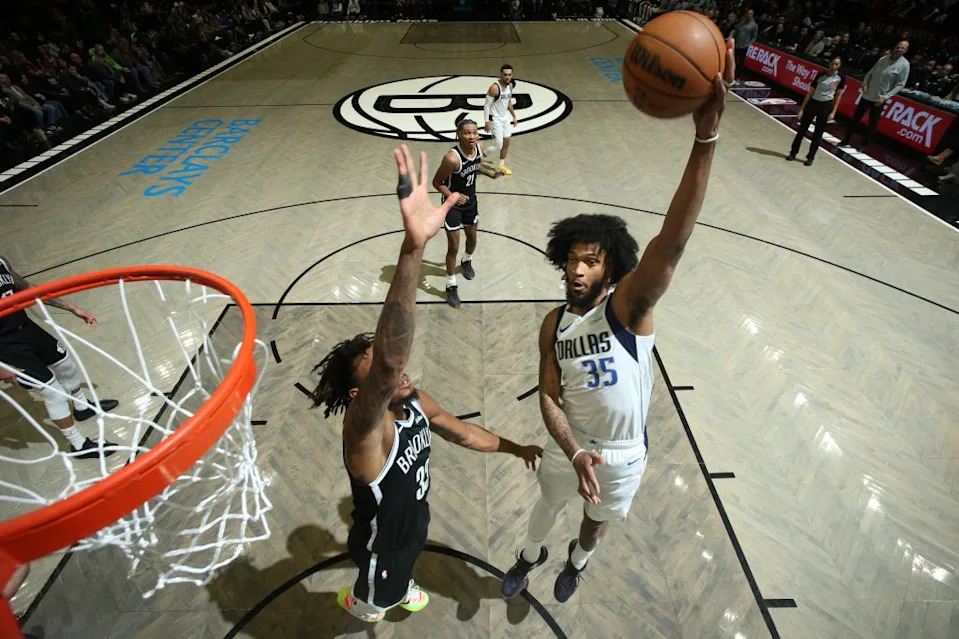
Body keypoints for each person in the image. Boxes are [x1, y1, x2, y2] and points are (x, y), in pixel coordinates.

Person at [499, 39, 735, 604]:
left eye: (590, 260)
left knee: (592, 521)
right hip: (569, 445)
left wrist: (705, 140)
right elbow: (550, 396)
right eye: (571, 259)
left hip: (624, 451)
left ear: (611, 269)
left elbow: (672, 241)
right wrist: (573, 450)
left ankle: (578, 563)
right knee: (545, 507)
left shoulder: (627, 311)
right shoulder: (553, 322)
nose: (577, 270)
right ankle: (529, 558)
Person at [309, 145, 542, 623]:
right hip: (381, 550)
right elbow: (391, 356)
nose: (399, 373)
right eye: (382, 374)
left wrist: (516, 449)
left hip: (412, 523)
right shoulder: (366, 431)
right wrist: (413, 247)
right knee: (381, 600)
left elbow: (460, 431)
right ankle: (364, 602)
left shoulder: (412, 401)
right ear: (362, 395)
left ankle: (396, 583)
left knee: (412, 549)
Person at [0, 255, 118, 459]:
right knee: (53, 393)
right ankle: (78, 445)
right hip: (5, 345)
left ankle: (82, 407)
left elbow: (27, 287)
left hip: (25, 328)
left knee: (66, 365)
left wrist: (72, 307)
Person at [431, 118, 507, 308]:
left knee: (472, 238)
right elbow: (436, 183)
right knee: (453, 246)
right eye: (467, 132)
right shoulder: (451, 158)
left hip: (471, 202)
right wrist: (453, 196)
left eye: (474, 132)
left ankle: (467, 261)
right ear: (459, 134)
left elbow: (476, 166)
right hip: (452, 205)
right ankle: (451, 285)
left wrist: (492, 174)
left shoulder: (479, 148)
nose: (472, 136)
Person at [839, 41, 910, 149]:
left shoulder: (905, 65)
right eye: (898, 47)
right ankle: (846, 140)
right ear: (894, 47)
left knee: (872, 124)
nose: (899, 49)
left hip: (879, 98)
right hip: (867, 94)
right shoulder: (883, 59)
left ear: (905, 51)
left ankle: (863, 145)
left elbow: (900, 85)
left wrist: (885, 97)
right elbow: (870, 72)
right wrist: (865, 83)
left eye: (902, 48)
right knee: (855, 118)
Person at [787, 57, 846, 166]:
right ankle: (793, 153)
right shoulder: (820, 75)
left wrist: (833, 112)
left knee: (818, 133)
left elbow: (838, 96)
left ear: (839, 65)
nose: (834, 66)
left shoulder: (840, 78)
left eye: (836, 64)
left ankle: (810, 157)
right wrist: (802, 109)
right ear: (829, 64)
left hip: (826, 105)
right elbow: (810, 92)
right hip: (813, 103)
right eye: (832, 63)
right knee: (802, 130)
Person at [482, 64, 517, 174]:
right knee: (499, 144)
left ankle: (501, 166)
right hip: (495, 118)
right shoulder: (494, 88)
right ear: (501, 74)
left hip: (505, 117)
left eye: (509, 74)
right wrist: (487, 121)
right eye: (505, 74)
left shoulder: (510, 86)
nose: (507, 77)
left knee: (506, 141)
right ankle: (480, 156)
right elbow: (487, 106)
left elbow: (509, 102)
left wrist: (514, 116)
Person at [729, 9, 758, 74]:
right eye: (747, 13)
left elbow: (754, 37)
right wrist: (732, 37)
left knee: (741, 62)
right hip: (736, 44)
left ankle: (739, 76)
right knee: (733, 60)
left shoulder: (754, 26)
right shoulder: (741, 22)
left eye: (750, 14)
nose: (748, 15)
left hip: (744, 46)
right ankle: (732, 74)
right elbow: (736, 32)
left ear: (752, 15)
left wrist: (748, 44)